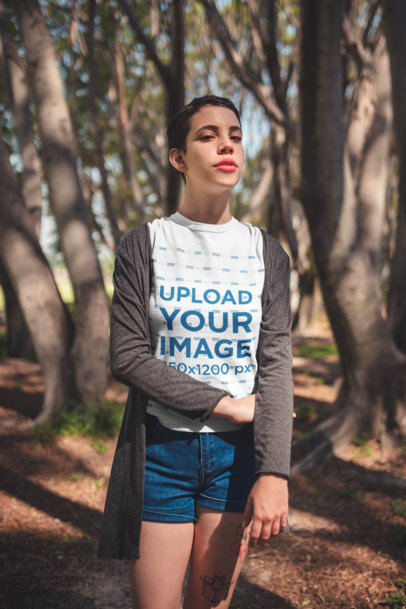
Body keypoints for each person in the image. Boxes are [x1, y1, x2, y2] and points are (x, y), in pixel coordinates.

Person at [98, 95, 293, 609]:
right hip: (161, 454)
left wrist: (274, 471)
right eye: (207, 135)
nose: (226, 143)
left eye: (234, 134)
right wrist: (227, 402)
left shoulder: (266, 252)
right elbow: (129, 356)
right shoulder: (144, 245)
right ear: (178, 158)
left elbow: (275, 365)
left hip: (238, 459)